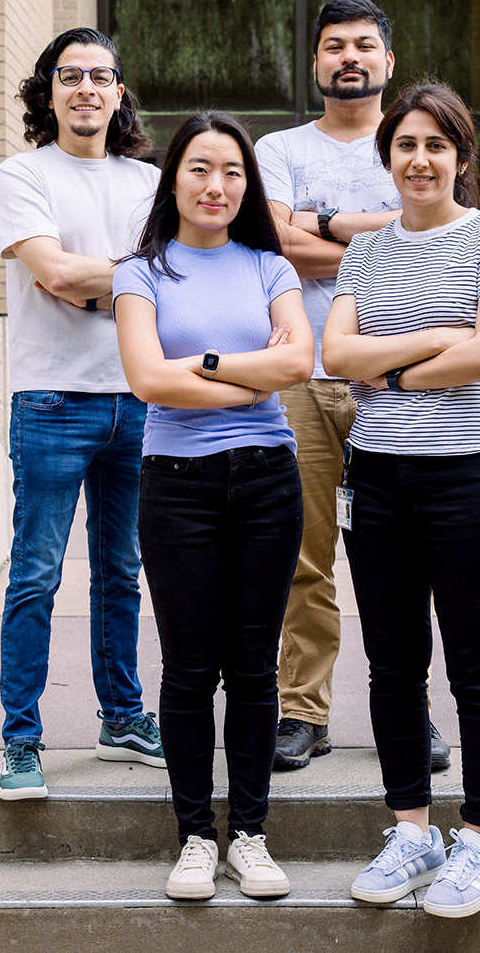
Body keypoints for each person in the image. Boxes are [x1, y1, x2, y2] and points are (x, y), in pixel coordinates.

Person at [322, 83, 480, 919]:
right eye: (405, 144)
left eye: (436, 145)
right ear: (388, 157)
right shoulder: (365, 253)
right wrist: (437, 339)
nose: (419, 159)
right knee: (394, 664)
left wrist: (395, 370)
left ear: (461, 157)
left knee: (478, 666)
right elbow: (337, 352)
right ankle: (411, 827)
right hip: (378, 481)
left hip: (474, 478)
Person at [112, 111, 313, 900]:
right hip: (178, 484)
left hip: (268, 479)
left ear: (246, 183)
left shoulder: (270, 265)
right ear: (175, 178)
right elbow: (149, 381)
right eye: (200, 167)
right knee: (192, 668)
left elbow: (298, 360)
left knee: (255, 667)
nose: (216, 184)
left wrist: (201, 359)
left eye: (231, 170)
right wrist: (246, 370)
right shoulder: (141, 272)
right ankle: (197, 835)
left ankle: (251, 835)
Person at [254, 0, 451, 773]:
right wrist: (383, 232)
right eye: (334, 45)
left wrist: (326, 223)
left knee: (406, 556)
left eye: (364, 45)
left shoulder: (412, 141)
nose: (349, 58)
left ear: (388, 61)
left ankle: (411, 711)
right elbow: (272, 242)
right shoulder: (279, 147)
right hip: (302, 372)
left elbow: (438, 229)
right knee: (303, 554)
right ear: (316, 61)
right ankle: (303, 712)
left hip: (400, 379)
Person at [0, 28, 165, 801]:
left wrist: (105, 282)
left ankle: (121, 716)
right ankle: (21, 742)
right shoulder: (22, 175)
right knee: (35, 574)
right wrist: (134, 278)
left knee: (123, 571)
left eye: (100, 76)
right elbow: (54, 273)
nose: (86, 88)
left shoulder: (151, 182)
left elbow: (176, 276)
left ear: (119, 91)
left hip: (137, 398)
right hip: (52, 400)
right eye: (70, 76)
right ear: (48, 91)